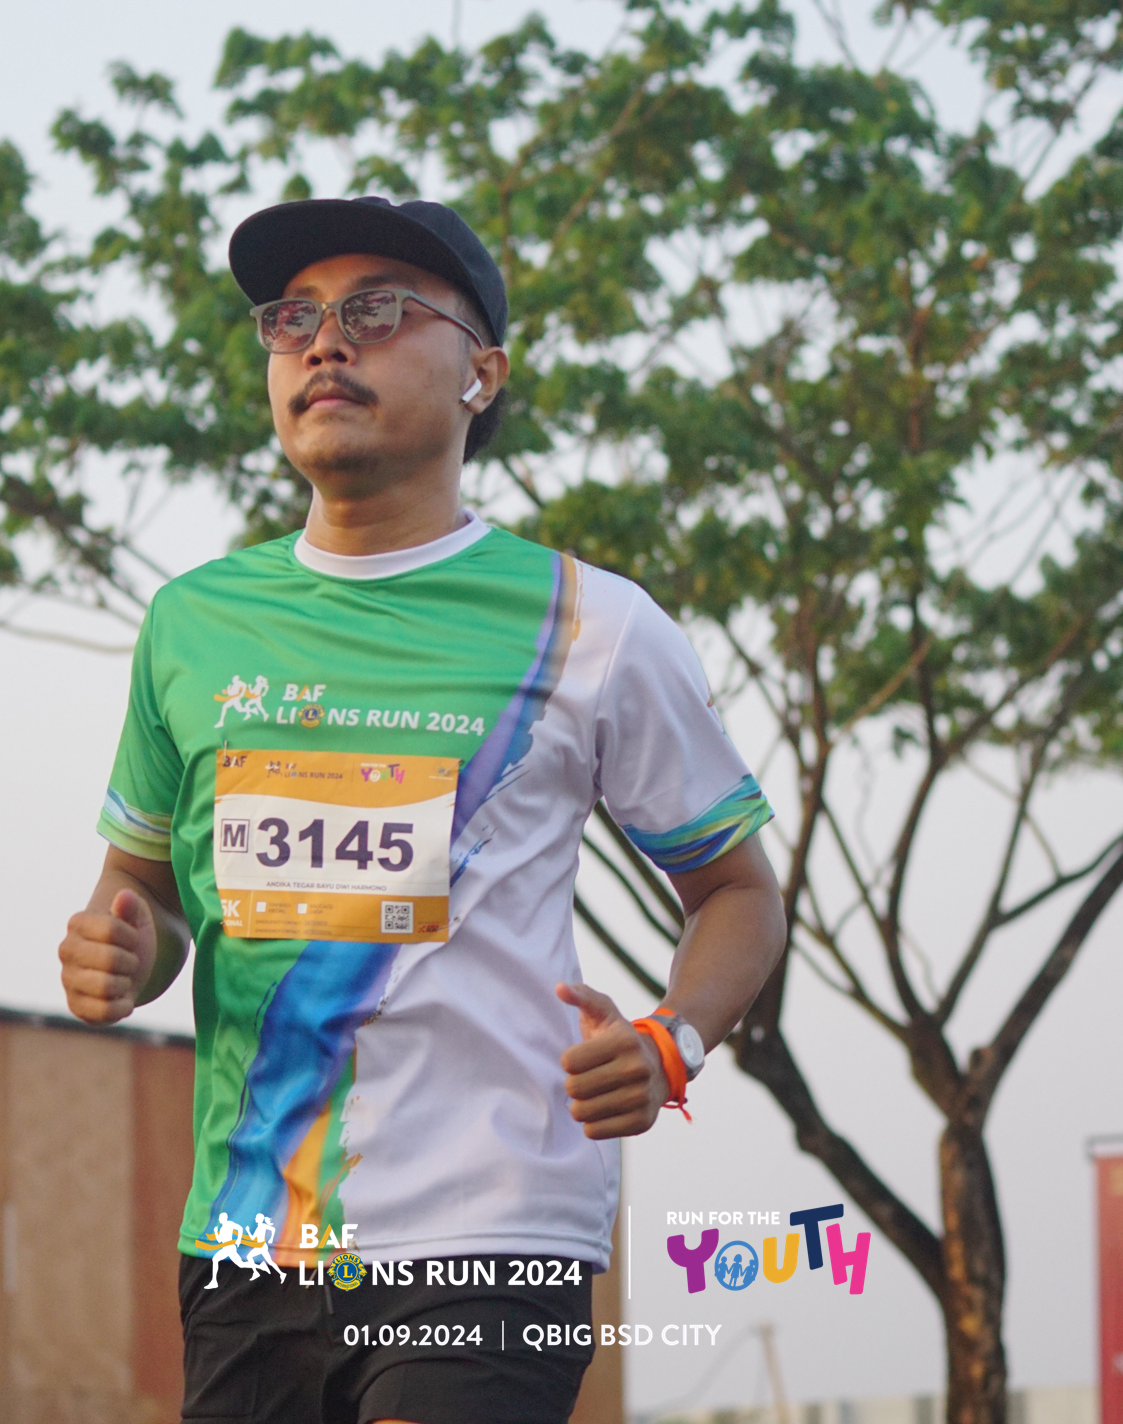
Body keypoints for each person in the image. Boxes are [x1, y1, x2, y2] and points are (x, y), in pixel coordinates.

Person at [59, 194, 787, 1424]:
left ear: (480, 374)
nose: (324, 342)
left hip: (493, 1228)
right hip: (247, 1236)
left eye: (378, 311)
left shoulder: (591, 624)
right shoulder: (191, 625)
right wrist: (126, 952)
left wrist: (671, 1042)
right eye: (292, 318)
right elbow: (147, 894)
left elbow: (738, 893)